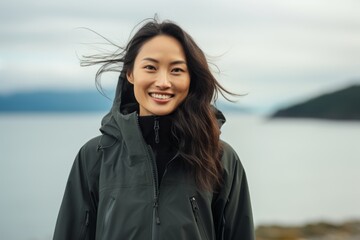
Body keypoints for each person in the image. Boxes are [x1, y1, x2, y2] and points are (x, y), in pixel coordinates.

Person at [53, 18, 254, 240]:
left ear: (190, 79)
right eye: (150, 67)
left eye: (176, 70)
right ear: (130, 73)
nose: (163, 82)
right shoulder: (94, 156)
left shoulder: (220, 158)